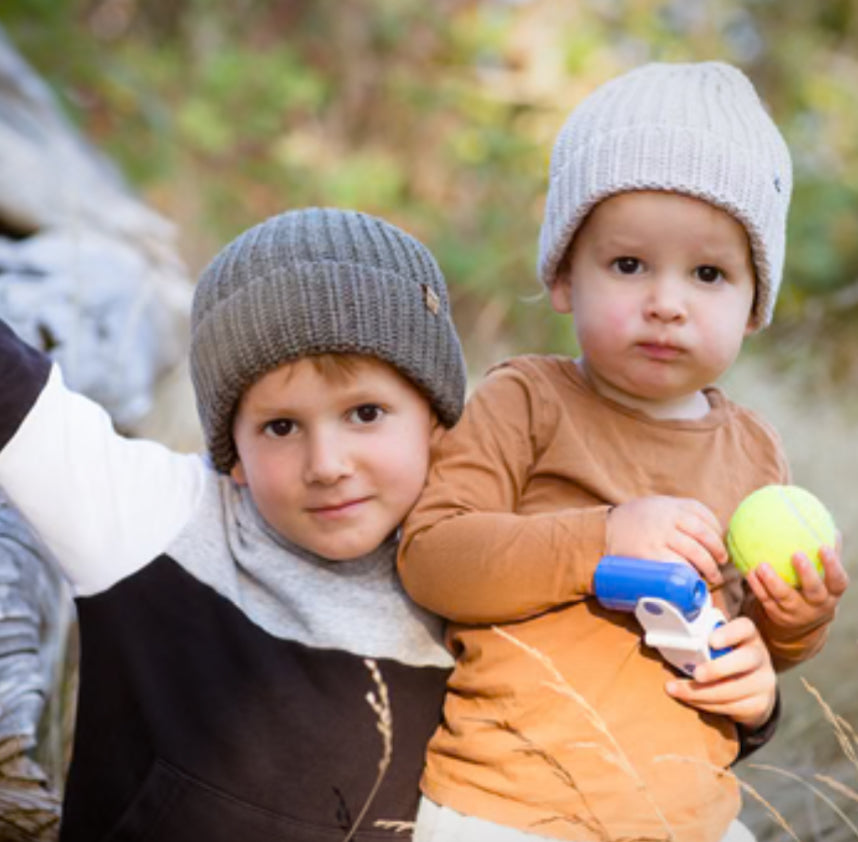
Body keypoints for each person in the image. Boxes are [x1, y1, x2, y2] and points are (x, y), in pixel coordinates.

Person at [398, 62, 848, 842]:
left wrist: (788, 632)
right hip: (510, 810)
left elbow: (742, 639)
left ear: (753, 306)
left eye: (708, 273)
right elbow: (433, 558)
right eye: (629, 265)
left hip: (694, 820)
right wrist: (602, 537)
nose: (666, 303)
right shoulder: (526, 401)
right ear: (564, 276)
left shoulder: (752, 451)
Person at [0, 207, 468, 842]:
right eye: (281, 427)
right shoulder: (163, 526)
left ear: (435, 419)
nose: (327, 465)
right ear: (234, 452)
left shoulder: (483, 571)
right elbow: (25, 409)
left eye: (365, 413)